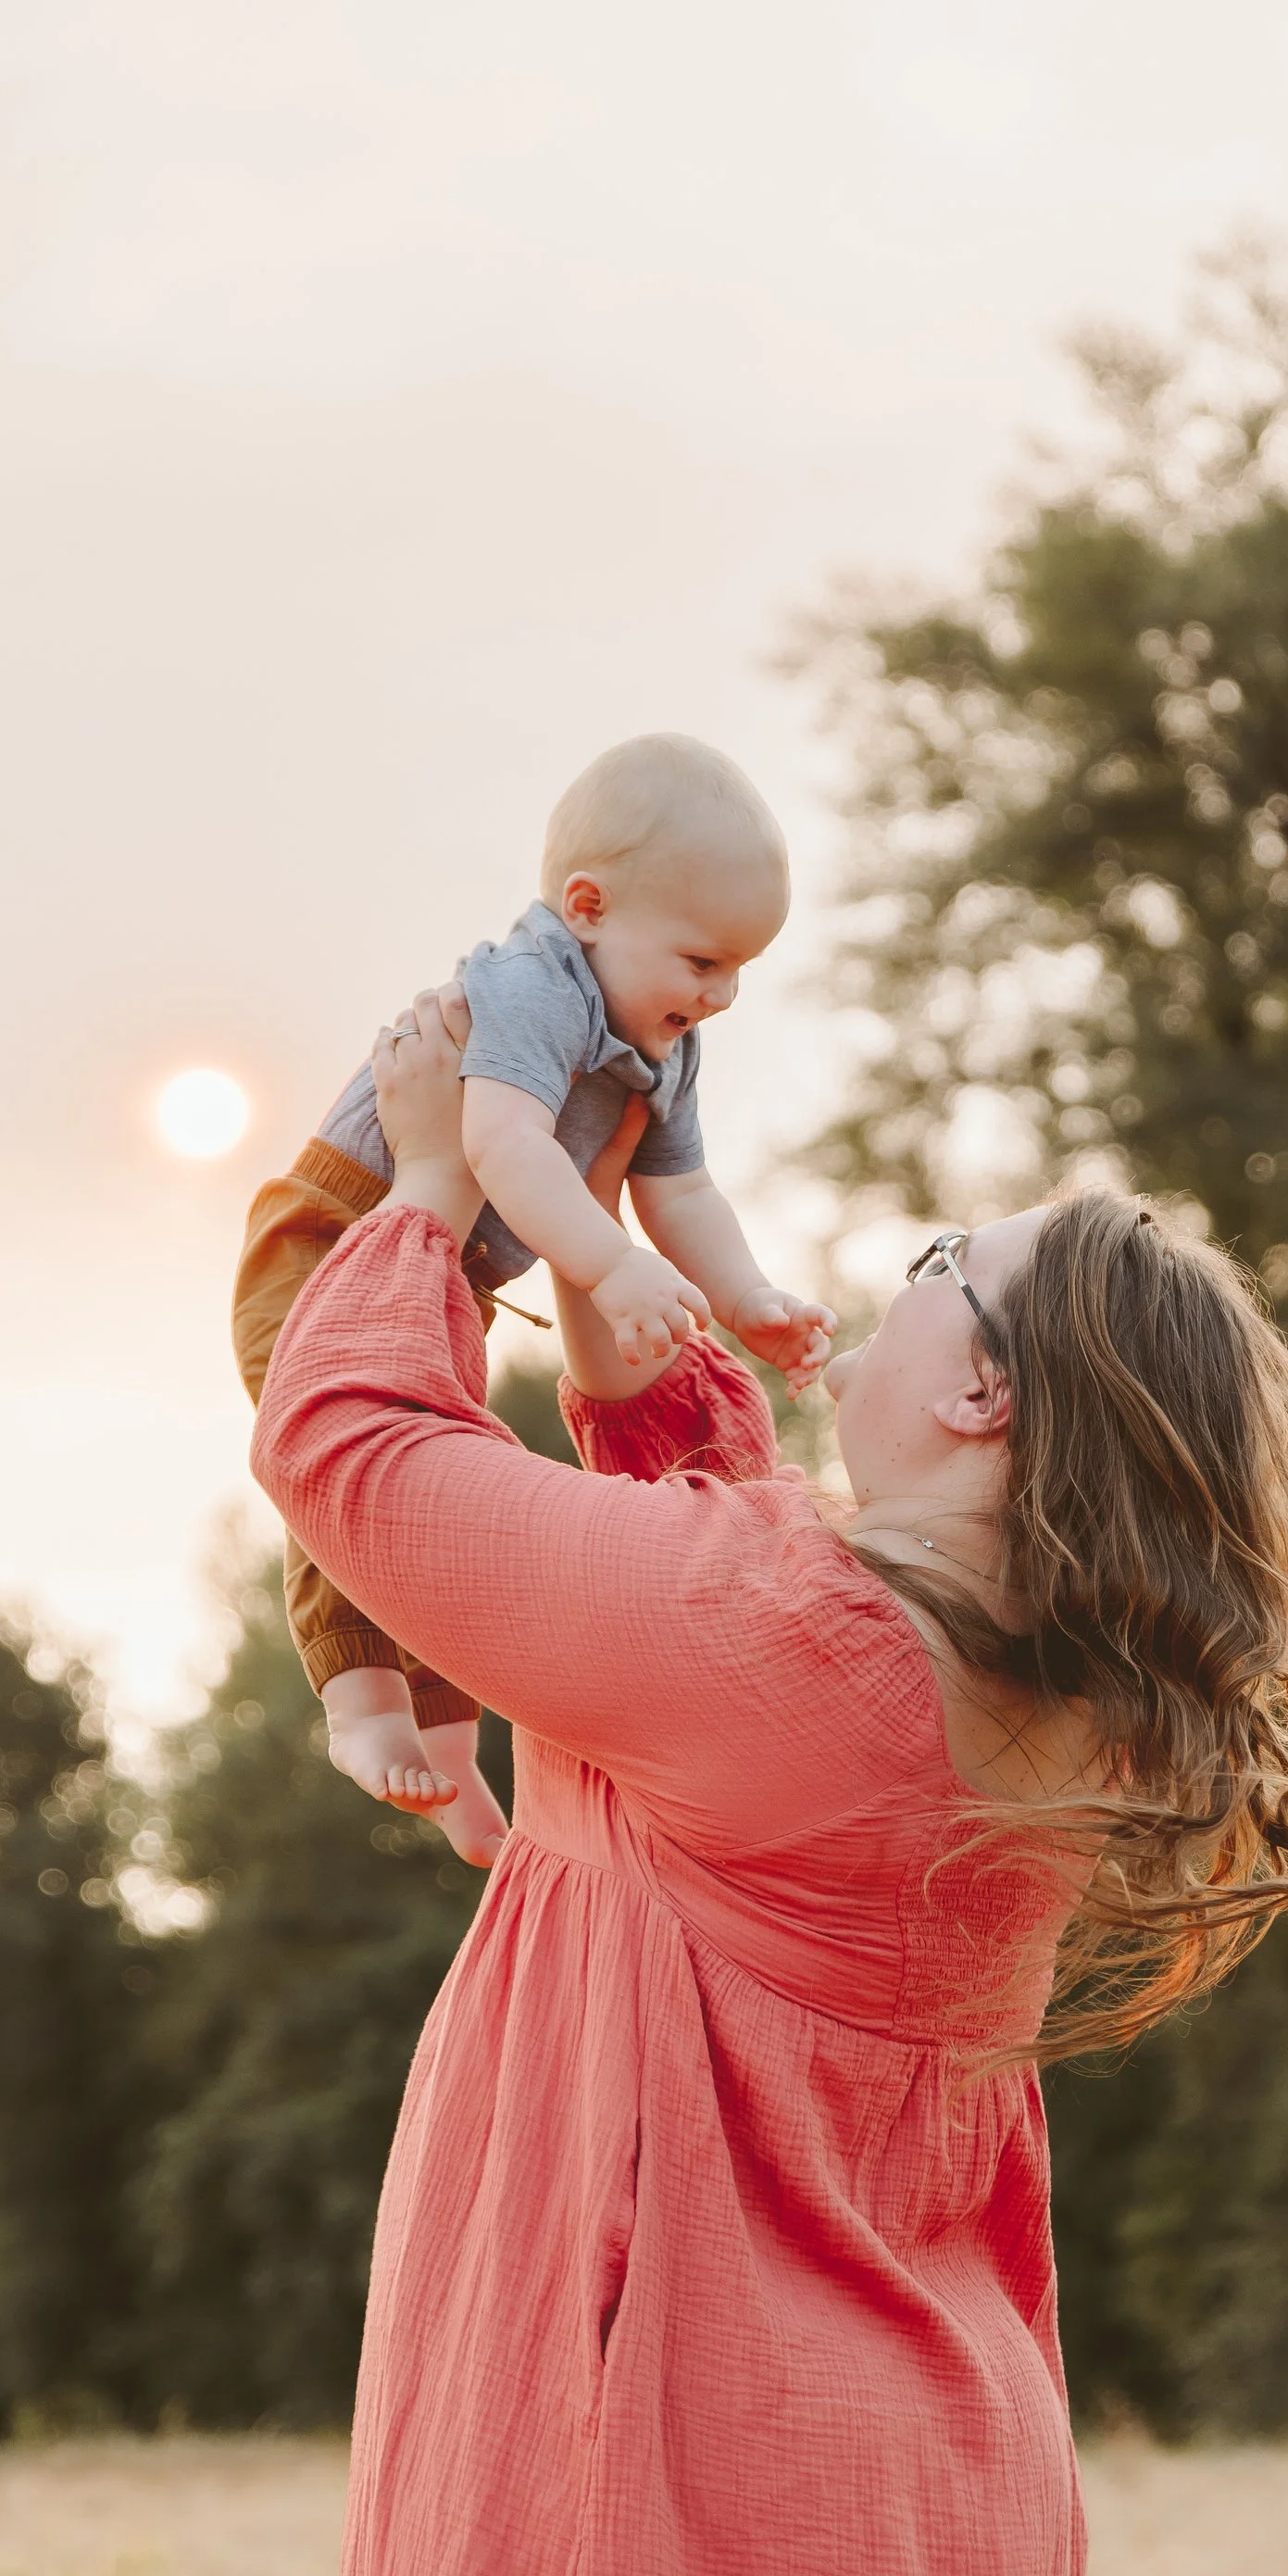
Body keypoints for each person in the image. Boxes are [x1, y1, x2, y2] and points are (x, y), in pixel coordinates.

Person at [249, 982, 1288, 2576]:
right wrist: (616, 1203)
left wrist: (443, 1179)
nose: (887, 1281)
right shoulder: (1018, 1697)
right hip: (904, 2537)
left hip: (662, 2488)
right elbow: (707, 1513)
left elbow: (349, 1444)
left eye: (943, 1267)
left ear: (976, 1392)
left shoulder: (768, 1642)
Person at [231, 733, 833, 1868]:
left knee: (447, 1468)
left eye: (742, 969)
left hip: (444, 1265)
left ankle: (452, 1757)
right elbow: (499, 1143)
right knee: (350, 1437)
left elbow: (682, 1186)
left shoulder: (663, 1042)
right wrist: (609, 1265)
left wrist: (747, 1294)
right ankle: (360, 1702)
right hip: (332, 1240)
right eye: (704, 960)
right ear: (589, 906)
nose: (722, 994)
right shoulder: (534, 984)